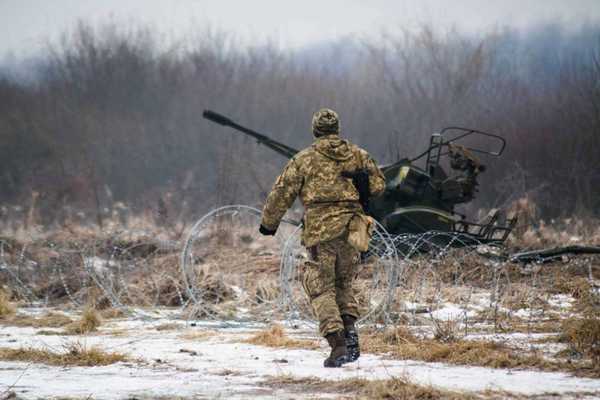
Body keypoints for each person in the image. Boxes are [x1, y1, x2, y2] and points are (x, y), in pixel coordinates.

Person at [258, 108, 385, 367]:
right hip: (352, 229)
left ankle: (338, 345)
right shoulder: (358, 155)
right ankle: (350, 334)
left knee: (319, 286)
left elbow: (282, 192)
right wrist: (360, 184)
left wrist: (268, 225)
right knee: (343, 284)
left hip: (321, 231)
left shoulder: (304, 159)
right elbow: (379, 186)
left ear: (315, 130)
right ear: (337, 128)